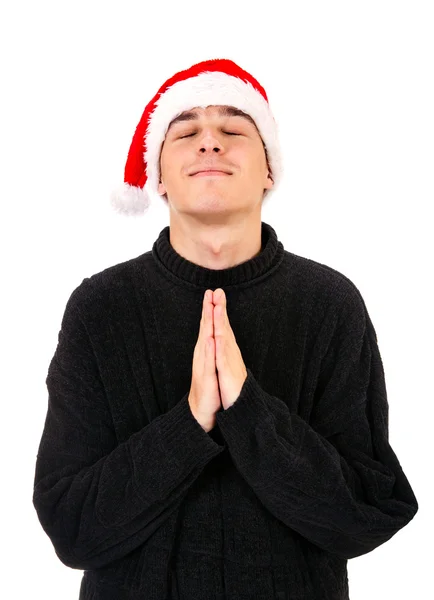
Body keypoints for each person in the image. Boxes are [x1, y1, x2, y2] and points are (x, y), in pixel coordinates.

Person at [32, 58, 418, 600]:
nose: (209, 142)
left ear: (269, 170)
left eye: (234, 129)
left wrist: (249, 410)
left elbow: (366, 516)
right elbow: (73, 532)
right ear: (158, 176)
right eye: (186, 131)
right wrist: (190, 420)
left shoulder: (330, 305)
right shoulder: (101, 309)